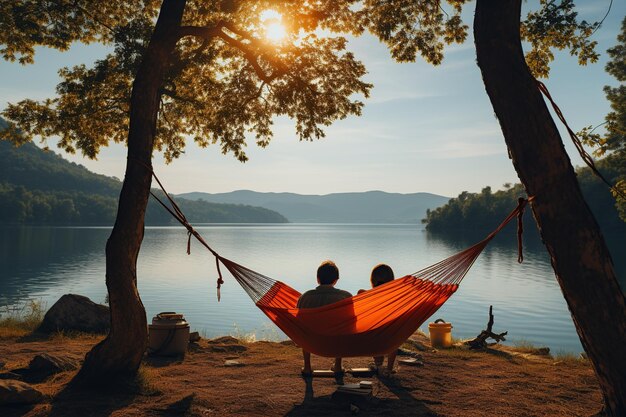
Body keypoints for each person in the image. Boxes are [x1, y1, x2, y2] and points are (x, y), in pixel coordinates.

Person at [297, 260, 352, 376]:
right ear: (336, 280)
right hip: (335, 342)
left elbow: (298, 324)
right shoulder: (346, 297)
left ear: (317, 279)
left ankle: (307, 366)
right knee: (343, 327)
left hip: (311, 342)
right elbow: (351, 323)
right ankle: (337, 365)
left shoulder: (304, 298)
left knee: (304, 329)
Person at [362, 263, 397, 375]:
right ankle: (389, 368)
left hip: (374, 333)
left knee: (375, 333)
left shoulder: (366, 295)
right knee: (396, 336)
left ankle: (378, 365)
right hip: (392, 333)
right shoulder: (397, 297)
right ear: (392, 280)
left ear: (372, 281)